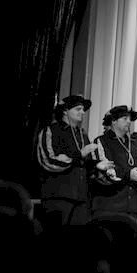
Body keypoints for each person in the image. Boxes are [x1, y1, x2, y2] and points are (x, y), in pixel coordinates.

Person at [36, 94, 99, 227]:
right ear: (65, 111)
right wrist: (79, 154)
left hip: (82, 197)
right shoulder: (51, 130)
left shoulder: (82, 134)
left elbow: (86, 165)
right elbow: (48, 161)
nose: (82, 112)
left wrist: (98, 166)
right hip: (58, 195)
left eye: (83, 109)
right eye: (78, 109)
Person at [91, 105, 137, 219]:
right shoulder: (102, 141)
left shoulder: (135, 144)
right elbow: (107, 169)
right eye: (124, 118)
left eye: (130, 119)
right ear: (113, 121)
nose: (129, 121)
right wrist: (129, 174)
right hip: (109, 205)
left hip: (132, 206)